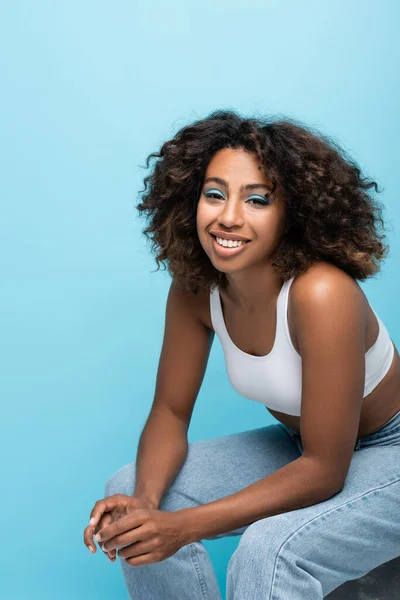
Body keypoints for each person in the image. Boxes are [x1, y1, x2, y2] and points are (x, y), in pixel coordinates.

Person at [83, 110, 400, 599]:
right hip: (300, 443)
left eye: (257, 200)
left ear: (293, 212)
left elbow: (323, 467)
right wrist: (144, 504)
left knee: (267, 548)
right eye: (214, 194)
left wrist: (183, 526)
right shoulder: (197, 288)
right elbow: (169, 412)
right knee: (126, 488)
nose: (228, 216)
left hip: (389, 452)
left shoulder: (322, 294)